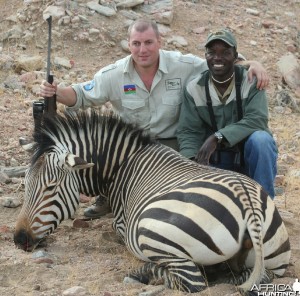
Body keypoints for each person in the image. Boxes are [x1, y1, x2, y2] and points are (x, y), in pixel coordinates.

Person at [40, 19, 269, 218]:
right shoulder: (113, 74)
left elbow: (220, 63)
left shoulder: (184, 65)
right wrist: (56, 92)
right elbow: (81, 95)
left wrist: (253, 64)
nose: (142, 50)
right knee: (90, 149)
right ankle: (108, 193)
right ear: (128, 44)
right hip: (134, 148)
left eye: (148, 42)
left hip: (173, 144)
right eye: (136, 43)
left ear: (159, 41)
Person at [176, 28, 277, 199]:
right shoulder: (194, 88)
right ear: (206, 56)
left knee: (262, 140)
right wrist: (192, 163)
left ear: (236, 56)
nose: (217, 57)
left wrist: (218, 137)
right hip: (214, 163)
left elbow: (257, 120)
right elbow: (188, 131)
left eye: (225, 52)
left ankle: (265, 204)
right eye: (211, 52)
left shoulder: (251, 80)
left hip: (246, 159)